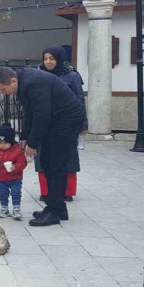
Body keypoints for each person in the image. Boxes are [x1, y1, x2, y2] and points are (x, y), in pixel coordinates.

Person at [0, 66, 85, 226]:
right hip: (56, 120)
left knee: (56, 163)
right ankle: (57, 207)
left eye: (4, 89)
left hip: (66, 120)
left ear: (13, 81)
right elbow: (30, 111)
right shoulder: (23, 82)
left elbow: (42, 114)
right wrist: (25, 136)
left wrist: (33, 143)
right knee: (47, 162)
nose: (3, 93)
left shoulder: (34, 82)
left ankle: (54, 212)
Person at [36, 46, 85, 202]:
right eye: (45, 59)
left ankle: (67, 191)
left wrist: (82, 123)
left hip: (67, 122)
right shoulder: (39, 75)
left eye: (52, 58)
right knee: (43, 157)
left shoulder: (72, 76)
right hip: (45, 122)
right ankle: (46, 190)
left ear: (60, 59)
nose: (48, 62)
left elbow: (80, 100)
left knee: (67, 156)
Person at [0, 123, 27, 220]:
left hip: (15, 177)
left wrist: (16, 167)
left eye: (5, 143)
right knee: (3, 193)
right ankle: (4, 208)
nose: (2, 145)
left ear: (11, 141)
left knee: (16, 193)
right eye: (0, 143)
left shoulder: (17, 151)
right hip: (1, 178)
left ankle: (16, 209)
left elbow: (23, 162)